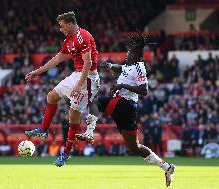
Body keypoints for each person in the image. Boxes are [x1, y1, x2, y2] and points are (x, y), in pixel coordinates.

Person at [76, 32, 176, 187]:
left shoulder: (139, 67)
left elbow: (144, 90)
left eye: (129, 53)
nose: (127, 55)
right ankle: (166, 167)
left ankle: (89, 132)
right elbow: (119, 68)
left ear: (135, 55)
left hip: (125, 103)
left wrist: (122, 85)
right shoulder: (129, 66)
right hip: (125, 107)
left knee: (95, 102)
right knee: (134, 146)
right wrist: (108, 65)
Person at [24, 11, 100, 167]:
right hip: (76, 75)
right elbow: (58, 58)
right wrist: (37, 72)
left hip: (88, 79)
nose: (60, 29)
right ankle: (43, 129)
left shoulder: (82, 37)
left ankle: (65, 154)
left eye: (62, 26)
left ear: (70, 24)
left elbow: (88, 63)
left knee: (73, 117)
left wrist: (79, 85)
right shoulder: (69, 40)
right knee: (51, 96)